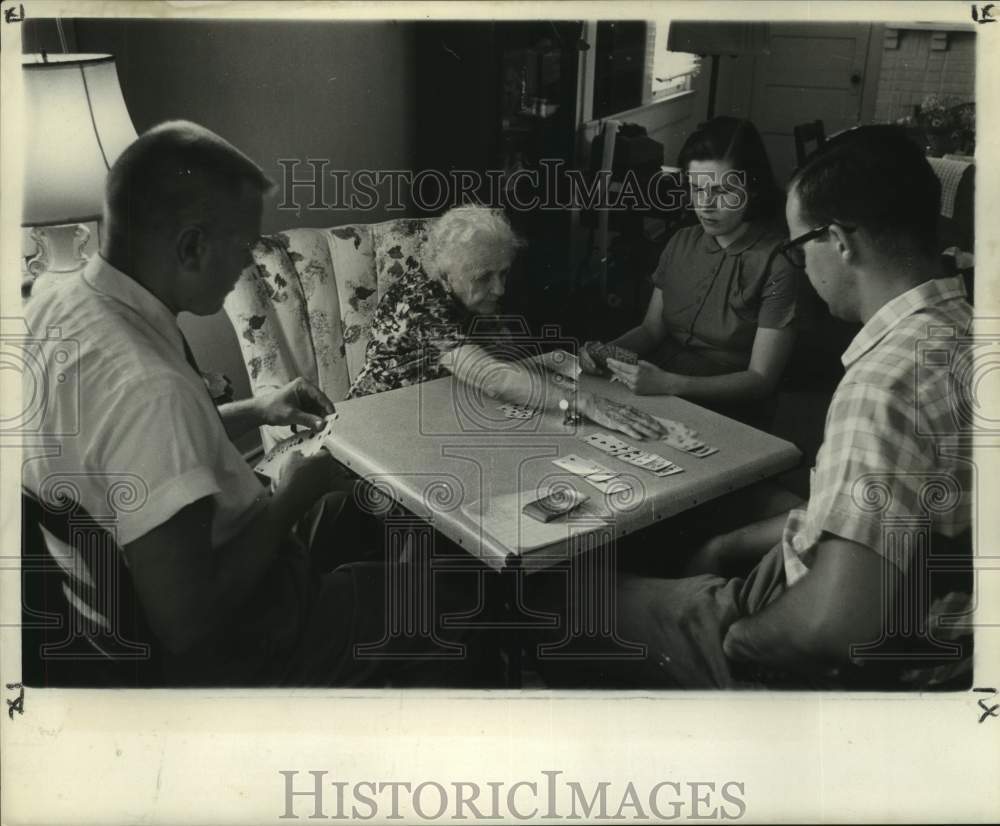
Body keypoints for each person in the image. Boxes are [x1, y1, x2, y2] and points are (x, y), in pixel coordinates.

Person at [21, 121, 480, 686]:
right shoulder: (150, 388)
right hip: (249, 641)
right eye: (241, 247)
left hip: (210, 558)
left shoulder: (58, 303)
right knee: (452, 594)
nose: (245, 266)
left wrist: (260, 408)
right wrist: (290, 498)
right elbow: (189, 624)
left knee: (354, 508)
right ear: (191, 247)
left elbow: (130, 443)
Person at [539, 125, 973, 689]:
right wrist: (726, 546)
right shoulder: (970, 333)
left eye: (800, 246)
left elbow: (828, 627)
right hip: (944, 631)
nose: (803, 265)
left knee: (560, 598)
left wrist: (739, 638)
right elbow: (888, 522)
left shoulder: (883, 385)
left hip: (853, 650)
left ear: (839, 242)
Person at [348, 205, 666, 440]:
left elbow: (510, 359)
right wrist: (586, 402)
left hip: (439, 412)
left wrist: (577, 361)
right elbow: (493, 377)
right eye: (485, 277)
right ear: (447, 271)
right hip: (377, 426)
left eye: (503, 272)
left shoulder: (472, 293)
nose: (500, 288)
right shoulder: (419, 302)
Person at [580, 117, 803, 425]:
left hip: (729, 413)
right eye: (696, 188)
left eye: (721, 190)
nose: (705, 204)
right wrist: (605, 351)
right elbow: (651, 330)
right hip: (656, 393)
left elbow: (761, 379)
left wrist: (671, 384)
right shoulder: (681, 241)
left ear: (752, 187)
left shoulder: (778, 263)